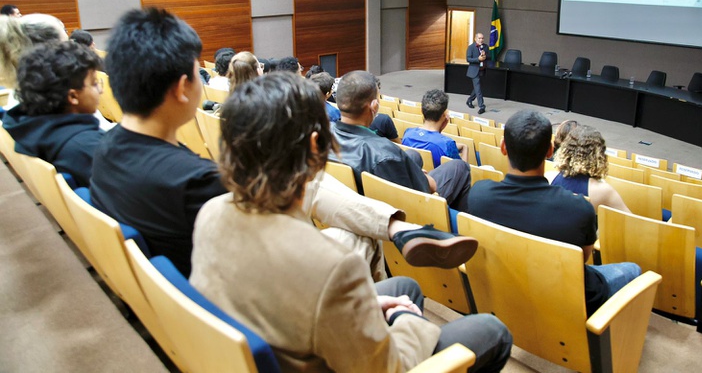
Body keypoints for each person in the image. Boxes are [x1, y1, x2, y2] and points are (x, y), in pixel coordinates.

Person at [91, 7, 477, 278]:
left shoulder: (105, 150)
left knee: (307, 184)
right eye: (198, 72)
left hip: (198, 289)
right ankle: (392, 237)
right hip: (245, 289)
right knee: (315, 196)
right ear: (181, 89)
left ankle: (396, 228)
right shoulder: (193, 183)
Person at [190, 72, 512, 373]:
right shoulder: (333, 269)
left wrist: (366, 303)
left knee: (406, 286)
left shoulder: (211, 214)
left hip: (280, 338)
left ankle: (396, 235)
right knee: (493, 331)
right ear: (316, 146)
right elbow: (390, 367)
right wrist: (404, 318)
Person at [467, 110, 641, 316]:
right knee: (634, 270)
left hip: (508, 285)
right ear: (550, 151)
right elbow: (582, 259)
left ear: (503, 147)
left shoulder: (478, 195)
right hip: (566, 297)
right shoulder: (578, 210)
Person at [331, 71, 472, 211]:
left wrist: (413, 171)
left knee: (413, 155)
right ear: (374, 106)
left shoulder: (323, 134)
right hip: (404, 210)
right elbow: (431, 187)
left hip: (349, 200)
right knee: (459, 167)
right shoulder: (384, 151)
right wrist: (420, 176)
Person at [3, 42, 103, 187]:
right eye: (94, 84)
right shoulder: (88, 147)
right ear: (73, 97)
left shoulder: (24, 126)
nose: (101, 90)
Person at [551, 125, 632, 214]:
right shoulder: (603, 190)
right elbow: (630, 220)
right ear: (599, 155)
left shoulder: (550, 177)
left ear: (565, 150)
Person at [402, 89, 467, 167]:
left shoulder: (408, 134)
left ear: (421, 111)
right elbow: (462, 170)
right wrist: (465, 148)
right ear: (444, 115)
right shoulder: (447, 144)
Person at [466, 31, 488, 114]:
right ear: (475, 39)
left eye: (482, 38)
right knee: (478, 89)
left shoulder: (485, 47)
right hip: (474, 71)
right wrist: (478, 59)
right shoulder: (471, 47)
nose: (481, 40)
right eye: (479, 38)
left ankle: (469, 100)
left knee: (477, 88)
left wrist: (485, 57)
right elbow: (468, 59)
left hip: (482, 70)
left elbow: (489, 57)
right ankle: (482, 106)